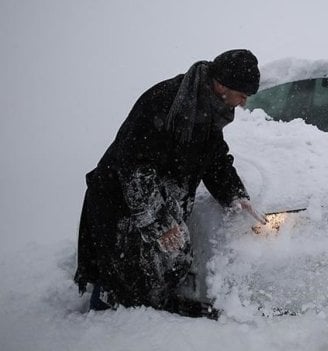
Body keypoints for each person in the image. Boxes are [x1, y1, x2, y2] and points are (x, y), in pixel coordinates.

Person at [74, 49, 265, 318]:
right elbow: (135, 169)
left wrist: (234, 194)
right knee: (120, 279)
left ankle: (149, 319)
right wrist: (160, 223)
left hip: (153, 201)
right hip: (121, 203)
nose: (243, 104)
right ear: (221, 85)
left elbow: (214, 158)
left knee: (159, 271)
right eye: (242, 96)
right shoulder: (166, 102)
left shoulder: (209, 108)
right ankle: (99, 329)